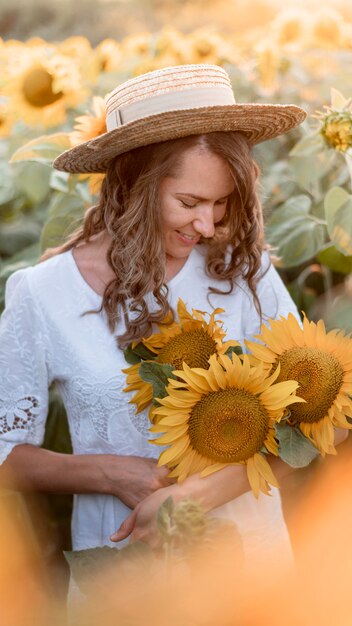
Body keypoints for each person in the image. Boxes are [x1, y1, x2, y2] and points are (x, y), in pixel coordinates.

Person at [0, 64, 312, 559]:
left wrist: (192, 496)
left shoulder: (240, 273)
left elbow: (318, 421)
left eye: (223, 204)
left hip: (246, 562)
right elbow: (6, 454)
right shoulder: (42, 293)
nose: (208, 226)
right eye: (189, 201)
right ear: (135, 185)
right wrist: (109, 472)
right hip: (122, 563)